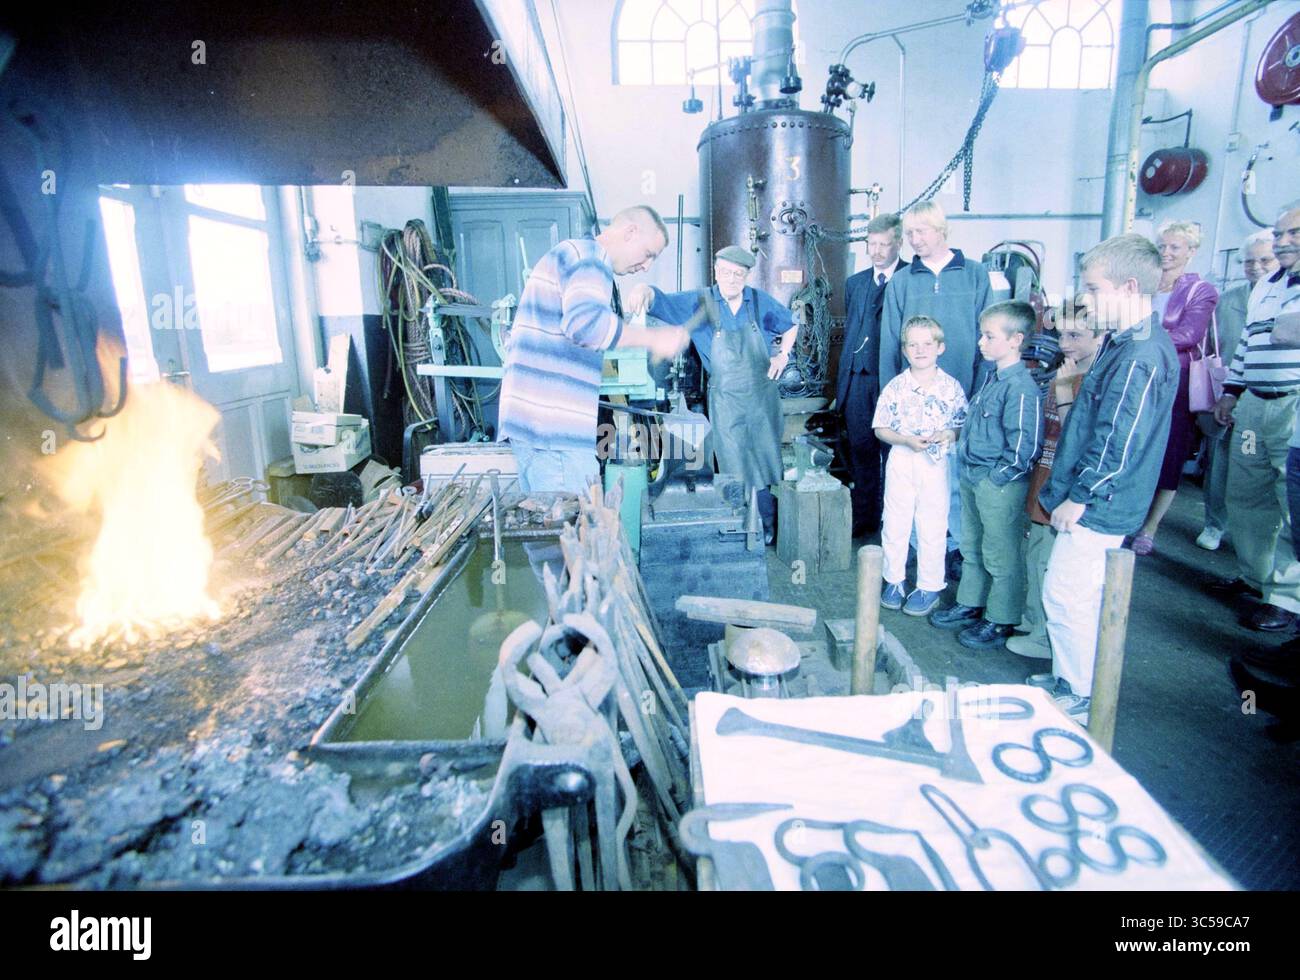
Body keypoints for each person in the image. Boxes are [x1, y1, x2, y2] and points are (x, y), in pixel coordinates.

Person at [1033, 235, 1179, 723]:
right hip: (1097, 496)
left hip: (1102, 502)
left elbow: (1120, 439)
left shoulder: (1140, 356)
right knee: (1078, 593)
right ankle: (1071, 677)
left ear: (1130, 286)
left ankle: (1078, 692)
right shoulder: (1125, 343)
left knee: (1067, 594)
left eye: (1094, 288)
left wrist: (1081, 496)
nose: (1087, 298)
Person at [497, 205, 690, 493]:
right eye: (649, 253)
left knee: (547, 533)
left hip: (535, 428)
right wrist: (654, 339)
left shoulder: (572, 254)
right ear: (630, 232)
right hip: (555, 431)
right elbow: (586, 325)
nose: (646, 266)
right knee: (573, 532)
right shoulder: (590, 257)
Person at [626, 245, 798, 543]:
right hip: (726, 400)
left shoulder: (759, 301)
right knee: (735, 465)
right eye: (726, 272)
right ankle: (745, 526)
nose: (732, 279)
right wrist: (643, 289)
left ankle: (771, 526)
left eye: (739, 274)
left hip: (762, 398)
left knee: (768, 462)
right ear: (716, 271)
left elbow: (791, 323)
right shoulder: (700, 302)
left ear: (746, 275)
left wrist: (783, 355)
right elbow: (658, 300)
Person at [879, 200, 992, 572]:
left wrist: (979, 399)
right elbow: (890, 345)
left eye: (921, 231)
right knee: (911, 482)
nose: (914, 239)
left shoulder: (975, 275)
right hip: (911, 405)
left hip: (961, 400)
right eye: (909, 233)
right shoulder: (901, 281)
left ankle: (956, 547)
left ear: (942, 231)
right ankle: (915, 547)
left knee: (954, 482)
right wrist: (892, 408)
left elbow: (988, 342)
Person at [929, 301, 1043, 649]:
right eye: (982, 335)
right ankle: (971, 602)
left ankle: (1001, 618)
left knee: (1001, 552)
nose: (981, 342)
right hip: (974, 475)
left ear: (1015, 340)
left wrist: (995, 480)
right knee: (972, 546)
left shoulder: (1020, 388)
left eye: (989, 336)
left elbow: (1025, 448)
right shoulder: (992, 378)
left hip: (998, 484)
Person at [1210, 202, 1300, 632]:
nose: (1283, 242)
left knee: (1291, 505)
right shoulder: (1266, 286)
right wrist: (1230, 391)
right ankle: (1254, 579)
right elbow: (1248, 342)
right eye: (1279, 234)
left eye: (1292, 234)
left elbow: (1286, 333)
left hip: (1292, 404)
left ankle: (1287, 600)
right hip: (1252, 403)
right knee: (1247, 492)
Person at [1007, 298, 1105, 660]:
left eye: (1076, 335)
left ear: (1100, 335)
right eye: (1061, 333)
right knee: (1034, 557)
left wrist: (1063, 392)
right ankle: (1033, 620)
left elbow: (1077, 440)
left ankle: (1048, 638)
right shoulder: (1064, 372)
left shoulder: (1088, 383)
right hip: (1044, 480)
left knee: (1051, 566)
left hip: (1065, 489)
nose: (1065, 344)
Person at [1130, 220, 1219, 555]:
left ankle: (1149, 528)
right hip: (1138, 375)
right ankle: (1130, 515)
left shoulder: (1201, 291)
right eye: (1162, 246)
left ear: (1191, 252)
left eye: (1175, 247)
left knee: (1168, 454)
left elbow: (1188, 335)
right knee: (1134, 447)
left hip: (1174, 383)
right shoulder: (1144, 285)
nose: (1166, 253)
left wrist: (1136, 342)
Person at [872, 316, 967, 615]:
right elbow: (880, 428)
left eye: (927, 344)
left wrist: (949, 433)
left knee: (933, 523)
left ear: (940, 347)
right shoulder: (896, 387)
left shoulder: (951, 387)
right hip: (902, 457)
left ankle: (929, 585)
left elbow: (961, 426)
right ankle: (894, 580)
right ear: (904, 350)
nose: (920, 350)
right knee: (896, 520)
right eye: (913, 344)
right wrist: (904, 439)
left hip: (936, 463)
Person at [1197, 231, 1279, 550]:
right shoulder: (1228, 300)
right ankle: (1214, 524)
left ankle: (1251, 540)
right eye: (1248, 261)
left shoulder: (1286, 299)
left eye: (1264, 259)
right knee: (1219, 464)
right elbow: (1210, 346)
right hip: (1226, 396)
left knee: (1252, 470)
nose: (1255, 266)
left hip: (1262, 403)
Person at [838, 213, 908, 537]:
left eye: (884, 244)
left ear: (898, 242)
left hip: (892, 380)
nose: (877, 251)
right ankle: (864, 520)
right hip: (857, 381)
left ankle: (891, 524)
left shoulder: (910, 279)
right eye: (872, 244)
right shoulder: (855, 283)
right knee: (861, 451)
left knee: (893, 457)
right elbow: (854, 331)